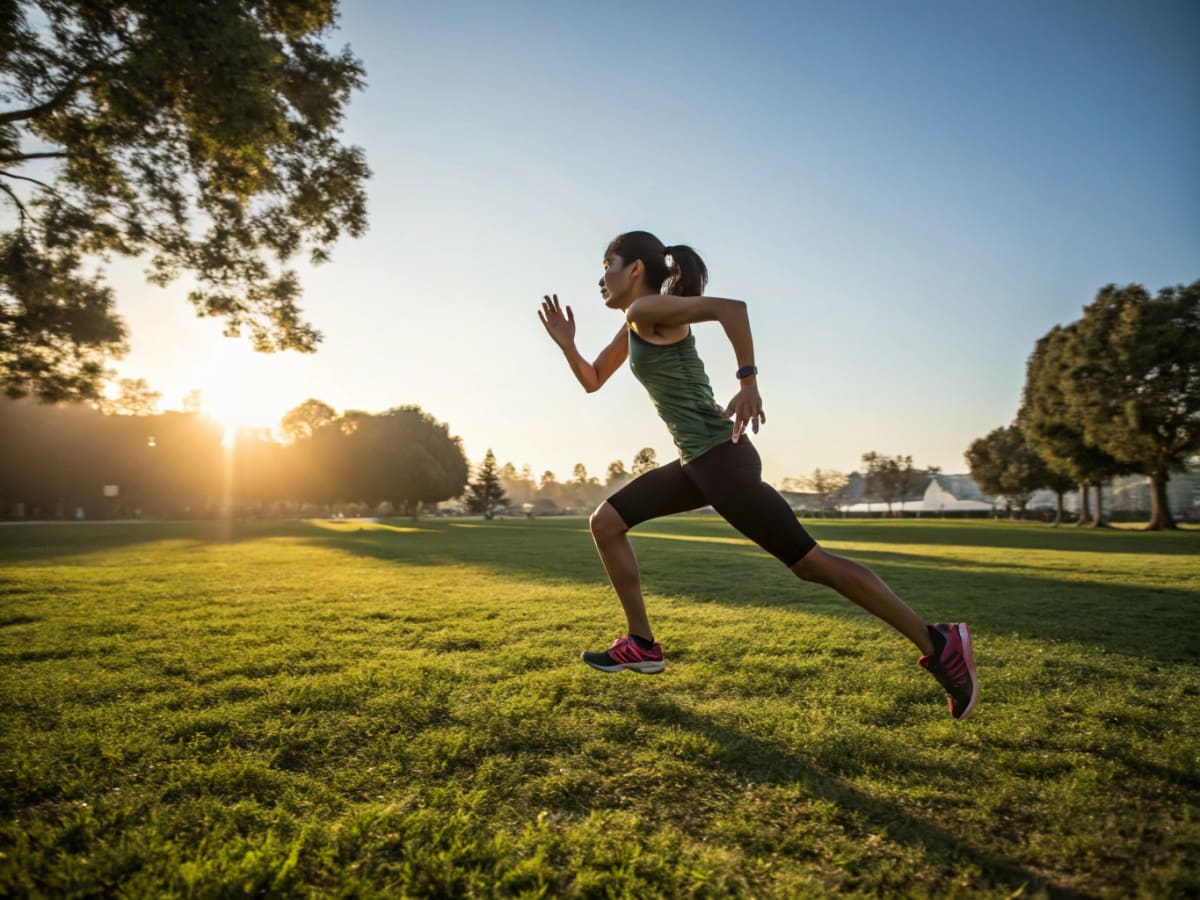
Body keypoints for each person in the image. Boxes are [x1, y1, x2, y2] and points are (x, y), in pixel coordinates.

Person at [537, 231, 978, 720]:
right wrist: (566, 345)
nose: (602, 277)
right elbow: (594, 380)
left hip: (720, 462)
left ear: (635, 269)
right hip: (697, 461)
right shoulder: (636, 322)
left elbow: (734, 309)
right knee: (606, 523)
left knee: (810, 563)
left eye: (609, 263)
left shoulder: (647, 311)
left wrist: (748, 381)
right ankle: (641, 643)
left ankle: (939, 642)